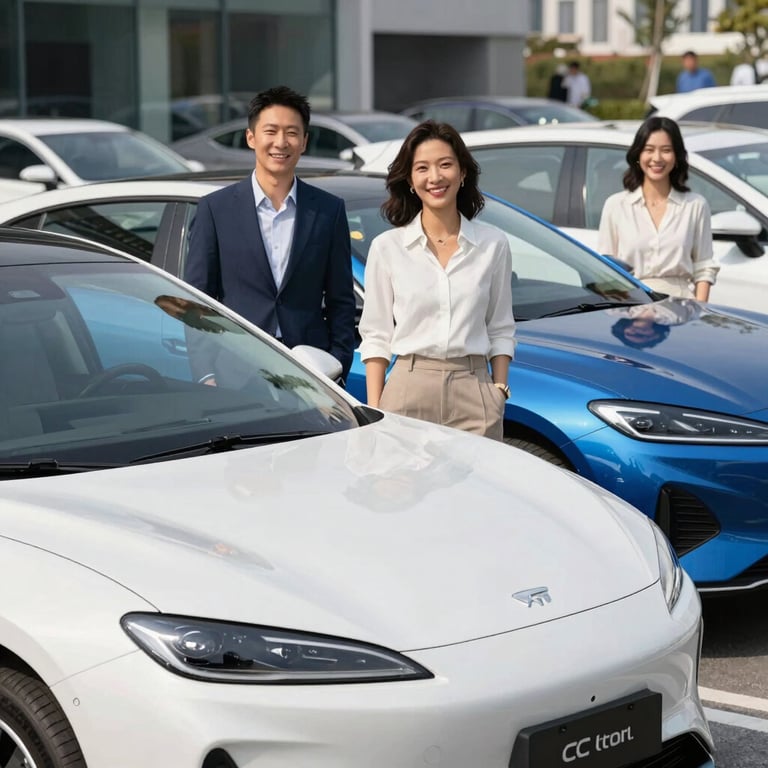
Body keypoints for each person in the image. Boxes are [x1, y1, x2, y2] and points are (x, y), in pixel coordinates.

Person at [184, 85, 356, 383]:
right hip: (235, 371)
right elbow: (197, 301)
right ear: (251, 137)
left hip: (311, 374)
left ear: (304, 141)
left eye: (292, 133)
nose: (281, 142)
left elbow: (341, 300)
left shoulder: (328, 211)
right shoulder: (216, 209)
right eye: (271, 131)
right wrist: (206, 372)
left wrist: (338, 363)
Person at [358, 120, 516, 441]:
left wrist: (498, 389)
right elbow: (376, 334)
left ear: (462, 172)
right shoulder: (387, 248)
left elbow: (500, 326)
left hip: (475, 389)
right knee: (402, 476)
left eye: (445, 165)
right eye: (422, 168)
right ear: (410, 180)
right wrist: (375, 408)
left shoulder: (493, 244)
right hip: (407, 389)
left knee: (480, 476)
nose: (435, 177)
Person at [597, 116, 718, 301]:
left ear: (676, 156)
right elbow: (605, 270)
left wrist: (699, 310)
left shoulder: (695, 205)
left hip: (681, 307)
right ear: (638, 155)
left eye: (666, 150)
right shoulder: (616, 205)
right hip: (631, 306)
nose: (657, 158)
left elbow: (704, 267)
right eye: (649, 150)